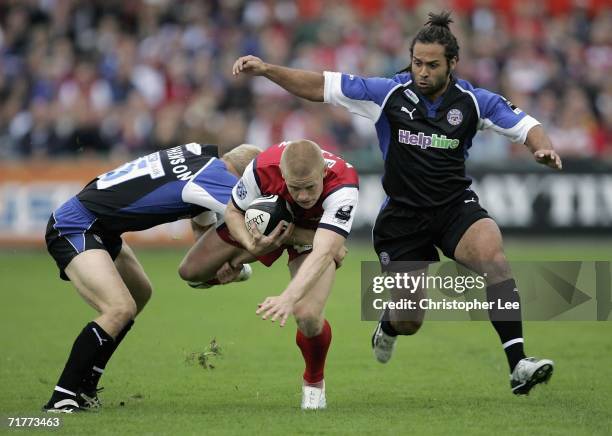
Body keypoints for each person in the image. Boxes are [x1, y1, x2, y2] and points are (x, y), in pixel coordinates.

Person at [231, 11, 563, 396]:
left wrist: (542, 149)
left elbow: (526, 125)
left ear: (452, 64)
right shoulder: (388, 93)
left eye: (432, 65)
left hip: (455, 208)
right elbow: (320, 85)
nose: (422, 71)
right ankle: (389, 325)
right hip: (402, 220)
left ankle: (518, 364)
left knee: (495, 259)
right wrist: (268, 69)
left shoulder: (474, 101)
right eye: (417, 62)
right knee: (409, 319)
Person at [43, 142, 261, 413]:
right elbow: (254, 221)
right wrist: (242, 261)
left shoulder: (199, 159)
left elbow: (202, 250)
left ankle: (87, 386)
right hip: (76, 225)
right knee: (119, 308)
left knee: (139, 294)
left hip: (101, 228)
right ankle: (61, 398)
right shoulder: (216, 177)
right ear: (244, 177)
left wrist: (224, 267)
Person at [180, 139, 359, 410]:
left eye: (310, 187)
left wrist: (289, 297)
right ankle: (245, 264)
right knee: (191, 271)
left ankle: (313, 381)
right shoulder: (261, 169)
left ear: (323, 173)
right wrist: (251, 246)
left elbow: (325, 251)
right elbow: (233, 211)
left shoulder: (344, 184)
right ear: (282, 175)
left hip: (315, 239)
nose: (303, 196)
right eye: (295, 188)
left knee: (308, 316)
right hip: (271, 227)